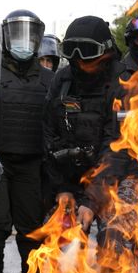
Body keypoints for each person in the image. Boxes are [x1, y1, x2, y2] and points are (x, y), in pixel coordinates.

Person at [0, 10, 54, 273]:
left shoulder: (50, 79)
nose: (23, 42)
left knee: (30, 227)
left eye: (29, 35)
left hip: (31, 163)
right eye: (17, 35)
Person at [44, 16, 125, 233]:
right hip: (71, 177)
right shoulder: (62, 81)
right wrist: (62, 189)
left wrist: (91, 200)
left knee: (116, 242)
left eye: (86, 52)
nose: (79, 60)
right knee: (59, 239)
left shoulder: (125, 83)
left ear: (105, 52)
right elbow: (49, 137)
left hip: (118, 178)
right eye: (72, 51)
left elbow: (118, 149)